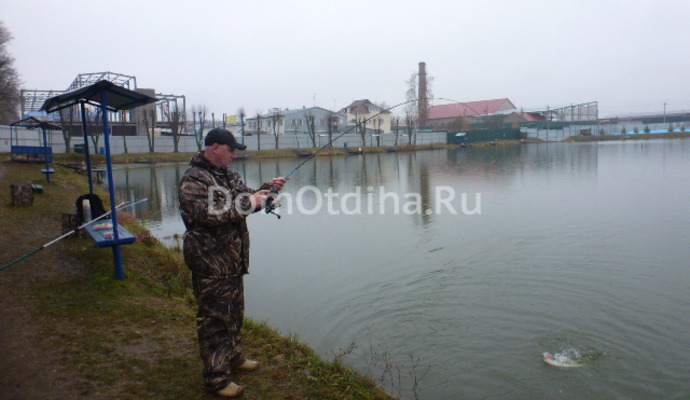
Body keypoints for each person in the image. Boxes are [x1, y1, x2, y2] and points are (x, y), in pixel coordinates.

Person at [178, 128, 288, 397]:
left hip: (233, 260)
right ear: (215, 148)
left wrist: (268, 189)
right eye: (231, 150)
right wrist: (250, 202)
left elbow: (248, 197)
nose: (234, 156)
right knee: (214, 321)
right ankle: (216, 379)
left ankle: (235, 357)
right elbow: (207, 214)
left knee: (235, 313)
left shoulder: (229, 176)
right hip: (209, 262)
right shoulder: (194, 179)